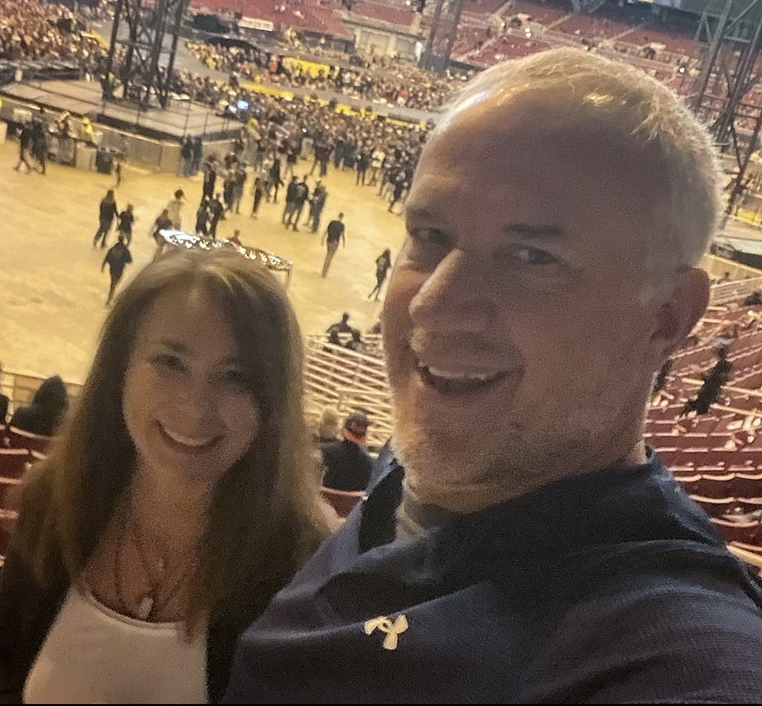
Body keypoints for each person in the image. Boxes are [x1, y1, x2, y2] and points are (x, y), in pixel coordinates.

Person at [222, 48, 762, 703]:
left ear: (666, 318)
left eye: (532, 256)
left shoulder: (680, 659)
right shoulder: (426, 454)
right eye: (429, 234)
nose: (433, 303)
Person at [0, 249, 329, 703]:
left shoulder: (304, 568)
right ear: (119, 368)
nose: (195, 408)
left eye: (236, 376)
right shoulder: (56, 500)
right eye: (170, 363)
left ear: (273, 403)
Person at [320, 410, 374, 493]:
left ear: (343, 430)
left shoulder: (324, 451)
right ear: (365, 436)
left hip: (323, 499)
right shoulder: (368, 463)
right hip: (352, 502)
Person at [683, 346, 733, 416]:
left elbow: (710, 380)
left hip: (709, 393)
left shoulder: (721, 369)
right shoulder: (725, 367)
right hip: (710, 392)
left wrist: (699, 371)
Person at [102, 234, 133, 306]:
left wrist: (103, 267)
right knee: (115, 284)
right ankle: (109, 300)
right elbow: (130, 261)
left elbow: (106, 258)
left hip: (112, 269)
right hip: (119, 270)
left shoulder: (113, 248)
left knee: (113, 284)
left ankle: (110, 298)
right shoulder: (125, 250)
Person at [321, 212, 346, 277]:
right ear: (342, 217)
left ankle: (323, 271)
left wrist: (322, 240)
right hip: (335, 242)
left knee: (327, 255)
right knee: (329, 257)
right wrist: (344, 243)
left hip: (328, 241)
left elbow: (326, 231)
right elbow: (343, 235)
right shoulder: (342, 225)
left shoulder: (332, 222)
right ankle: (324, 273)